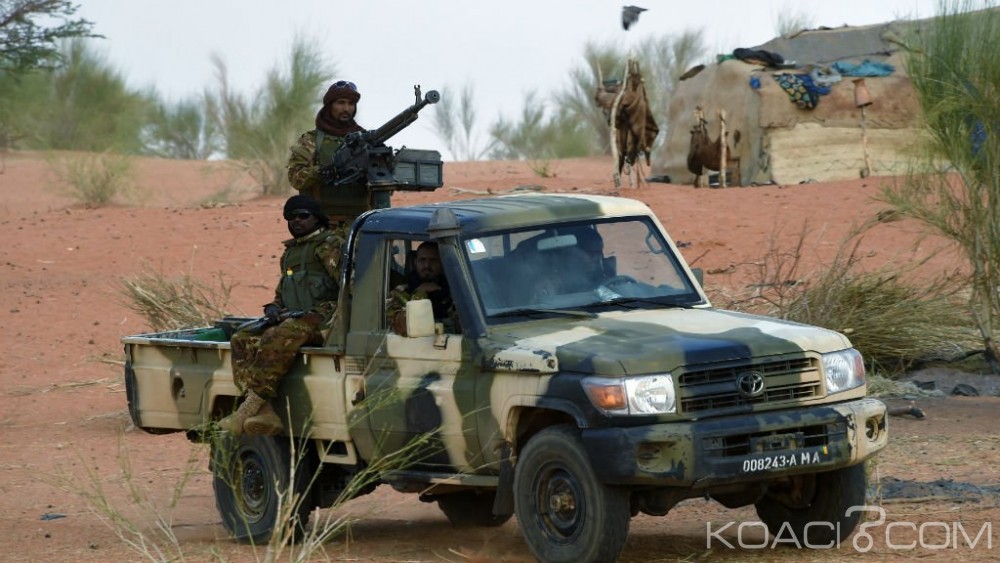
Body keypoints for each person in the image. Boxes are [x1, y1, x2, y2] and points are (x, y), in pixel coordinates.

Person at [219, 194, 343, 436]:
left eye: (302, 216)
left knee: (278, 336)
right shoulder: (291, 253)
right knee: (242, 338)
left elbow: (347, 287)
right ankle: (264, 411)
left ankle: (248, 409)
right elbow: (282, 291)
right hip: (295, 318)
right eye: (290, 217)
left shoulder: (329, 246)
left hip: (325, 319)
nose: (296, 221)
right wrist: (274, 308)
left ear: (317, 219)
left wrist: (324, 313)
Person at [286, 80, 389, 230]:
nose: (346, 108)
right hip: (323, 225)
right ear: (329, 106)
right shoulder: (312, 140)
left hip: (359, 224)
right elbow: (295, 178)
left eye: (351, 103)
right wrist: (322, 171)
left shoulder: (365, 141)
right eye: (341, 103)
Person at [386, 241, 456, 335]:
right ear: (415, 262)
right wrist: (420, 293)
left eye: (433, 260)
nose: (427, 265)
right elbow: (403, 328)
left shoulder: (454, 291)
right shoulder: (400, 293)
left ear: (441, 262)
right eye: (422, 260)